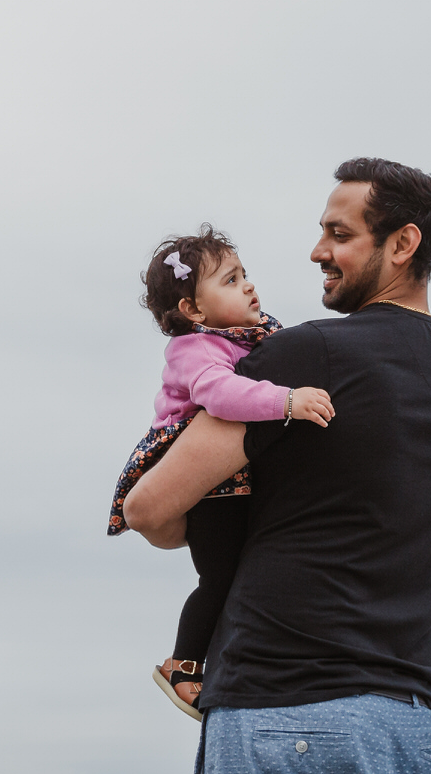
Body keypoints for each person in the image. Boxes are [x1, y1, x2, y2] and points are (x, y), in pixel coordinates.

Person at [124, 158, 431, 774]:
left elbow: (150, 508)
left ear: (404, 244)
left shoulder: (310, 353)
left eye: (340, 235)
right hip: (407, 722)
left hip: (285, 707)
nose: (317, 251)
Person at [107, 226, 337, 720]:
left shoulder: (254, 334)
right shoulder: (196, 350)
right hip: (207, 485)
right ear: (193, 310)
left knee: (242, 569)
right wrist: (288, 401)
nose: (249, 285)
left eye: (244, 274)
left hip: (235, 480)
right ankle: (183, 665)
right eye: (231, 281)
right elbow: (221, 397)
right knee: (220, 577)